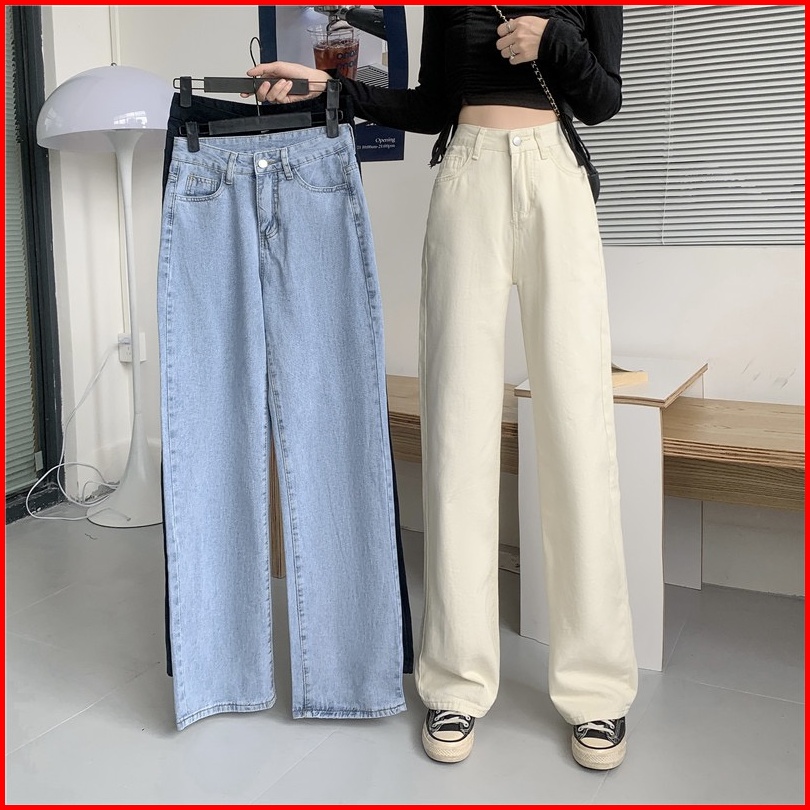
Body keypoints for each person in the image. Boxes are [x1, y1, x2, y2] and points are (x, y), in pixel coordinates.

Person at [247, 5, 638, 770]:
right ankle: (456, 679)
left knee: (577, 429)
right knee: (458, 432)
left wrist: (555, 41)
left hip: (555, 181)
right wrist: (330, 90)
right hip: (467, 178)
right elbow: (430, 105)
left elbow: (603, 101)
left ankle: (596, 687)